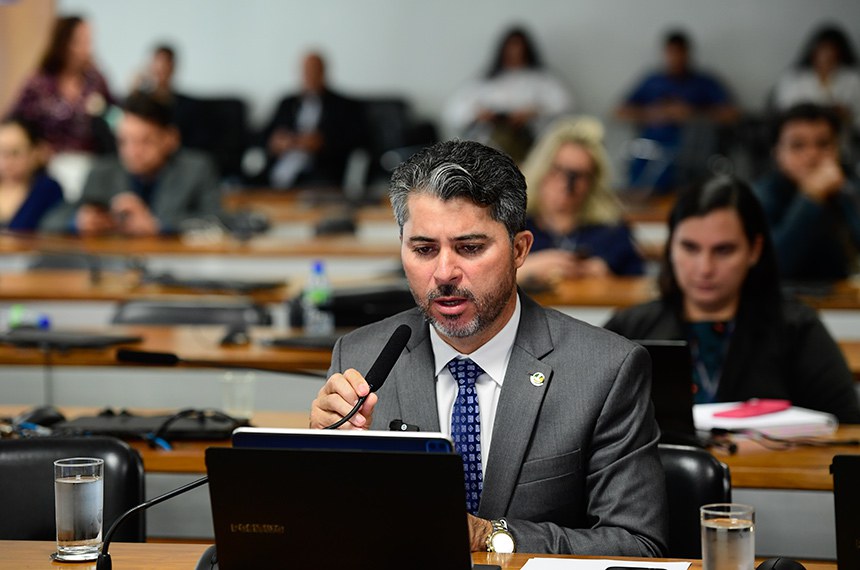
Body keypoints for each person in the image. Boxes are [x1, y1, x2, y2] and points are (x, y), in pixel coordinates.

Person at [309, 140, 667, 555]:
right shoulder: (360, 358)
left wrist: (492, 536)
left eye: (470, 248)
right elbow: (328, 535)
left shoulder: (605, 369)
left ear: (520, 250)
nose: (444, 273)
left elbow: (638, 544)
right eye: (424, 249)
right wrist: (322, 462)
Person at [605, 175, 860, 424]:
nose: (704, 268)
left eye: (724, 250)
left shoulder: (797, 330)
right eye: (690, 248)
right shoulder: (628, 329)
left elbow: (847, 427)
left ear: (754, 250)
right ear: (671, 246)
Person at [39, 92, 222, 236]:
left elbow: (217, 222)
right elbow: (51, 221)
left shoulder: (196, 168)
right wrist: (78, 221)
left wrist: (158, 225)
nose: (132, 152)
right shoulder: (103, 171)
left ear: (170, 138)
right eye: (124, 141)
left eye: (145, 141)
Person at [517, 116, 644, 287]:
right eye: (557, 170)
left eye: (578, 175)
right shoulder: (514, 226)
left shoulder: (612, 232)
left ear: (592, 182)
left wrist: (608, 278)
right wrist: (528, 269)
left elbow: (639, 288)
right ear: (541, 169)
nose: (565, 184)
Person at [615, 29, 738, 193]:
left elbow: (732, 114)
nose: (675, 58)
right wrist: (653, 113)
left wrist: (691, 114)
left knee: (671, 164)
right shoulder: (653, 81)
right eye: (671, 53)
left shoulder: (703, 82)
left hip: (690, 145)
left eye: (680, 53)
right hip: (652, 143)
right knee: (641, 162)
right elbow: (619, 112)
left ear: (688, 53)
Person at [753, 103, 860, 281]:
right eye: (798, 145)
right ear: (777, 153)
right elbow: (773, 266)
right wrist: (811, 198)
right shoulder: (762, 196)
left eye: (823, 144)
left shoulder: (847, 188)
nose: (812, 155)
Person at [443, 27, 572, 163]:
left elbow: (565, 105)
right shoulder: (485, 82)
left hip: (529, 145)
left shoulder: (541, 80)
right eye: (510, 46)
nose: (514, 52)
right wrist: (479, 114)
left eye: (518, 46)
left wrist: (533, 111)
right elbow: (454, 111)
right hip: (490, 148)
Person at [256, 52, 364, 189]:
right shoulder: (286, 103)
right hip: (279, 170)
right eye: (306, 71)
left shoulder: (344, 105)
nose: (310, 76)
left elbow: (359, 140)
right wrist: (274, 142)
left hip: (320, 173)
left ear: (324, 72)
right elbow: (260, 136)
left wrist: (323, 142)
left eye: (314, 71)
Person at [10, 15, 115, 155]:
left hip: (91, 162)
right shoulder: (39, 82)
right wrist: (36, 148)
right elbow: (16, 120)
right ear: (64, 42)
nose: (87, 48)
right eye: (81, 41)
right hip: (47, 162)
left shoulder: (95, 79)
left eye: (89, 40)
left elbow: (114, 114)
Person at [772, 24, 860, 132]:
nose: (828, 55)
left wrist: (847, 115)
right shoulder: (794, 77)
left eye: (832, 50)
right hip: (800, 132)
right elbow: (783, 112)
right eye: (823, 49)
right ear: (813, 50)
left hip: (840, 136)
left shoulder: (853, 79)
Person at [0, 117, 64, 231]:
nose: (6, 160)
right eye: (2, 151)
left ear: (35, 152)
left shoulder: (47, 189)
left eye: (15, 152)